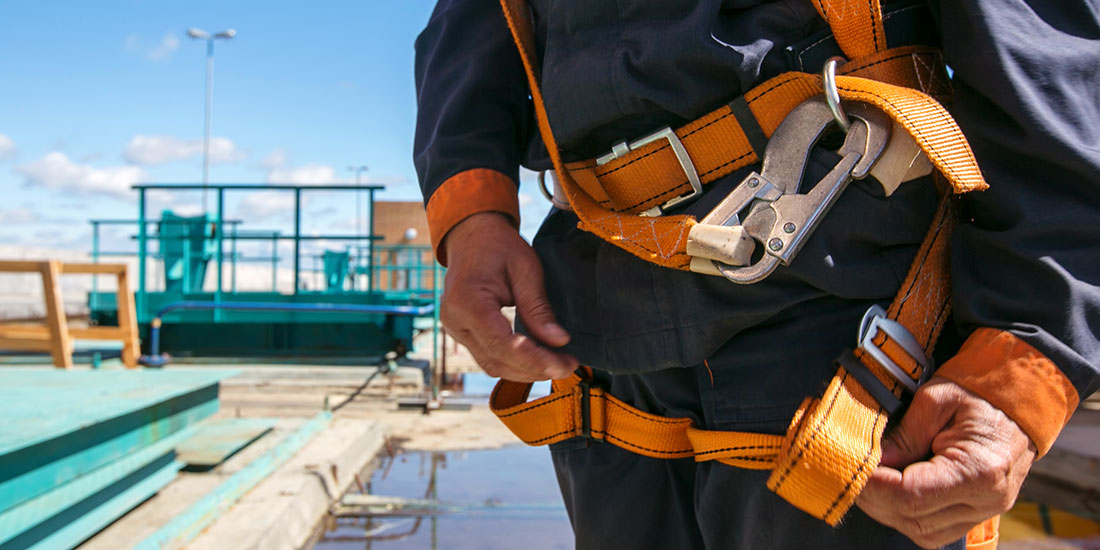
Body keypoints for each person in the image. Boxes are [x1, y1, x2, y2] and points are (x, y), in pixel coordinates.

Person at [413, 1, 1100, 548]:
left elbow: (1051, 72)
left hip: (848, 341)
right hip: (602, 331)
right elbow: (479, 20)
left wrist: (1022, 368)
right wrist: (473, 213)